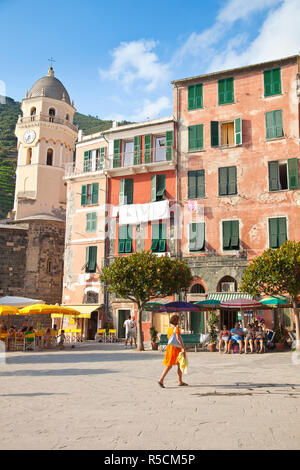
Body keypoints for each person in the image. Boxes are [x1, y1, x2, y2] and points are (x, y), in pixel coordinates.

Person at [158, 314, 188, 388]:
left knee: (173, 365)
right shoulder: (176, 329)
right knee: (175, 365)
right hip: (176, 348)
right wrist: (183, 347)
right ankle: (161, 379)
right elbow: (178, 338)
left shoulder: (169, 329)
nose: (179, 321)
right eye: (179, 320)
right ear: (176, 321)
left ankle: (180, 381)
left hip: (170, 348)